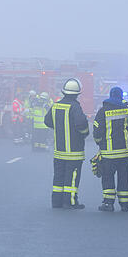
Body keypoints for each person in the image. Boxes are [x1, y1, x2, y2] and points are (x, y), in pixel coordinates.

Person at [45, 78, 89, 209]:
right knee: (72, 178)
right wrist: (85, 133)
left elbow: (47, 121)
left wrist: (60, 128)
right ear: (77, 94)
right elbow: (81, 124)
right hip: (74, 153)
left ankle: (56, 202)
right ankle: (70, 202)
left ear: (64, 92)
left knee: (58, 177)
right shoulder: (75, 107)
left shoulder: (56, 105)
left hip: (59, 151)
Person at [93, 86, 128, 211]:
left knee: (108, 178)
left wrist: (100, 144)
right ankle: (125, 204)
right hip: (123, 153)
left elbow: (97, 132)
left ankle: (108, 203)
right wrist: (123, 101)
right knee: (124, 179)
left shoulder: (102, 111)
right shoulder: (126, 110)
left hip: (108, 153)